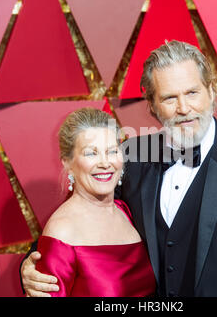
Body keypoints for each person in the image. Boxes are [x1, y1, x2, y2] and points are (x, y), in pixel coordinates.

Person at [21, 40, 217, 297]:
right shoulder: (131, 156)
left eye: (192, 92)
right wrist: (32, 264)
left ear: (210, 91)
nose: (183, 108)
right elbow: (82, 213)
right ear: (153, 106)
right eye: (170, 98)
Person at [26, 107, 155, 297]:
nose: (104, 163)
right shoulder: (62, 231)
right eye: (91, 153)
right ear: (67, 163)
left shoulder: (125, 210)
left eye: (111, 151)